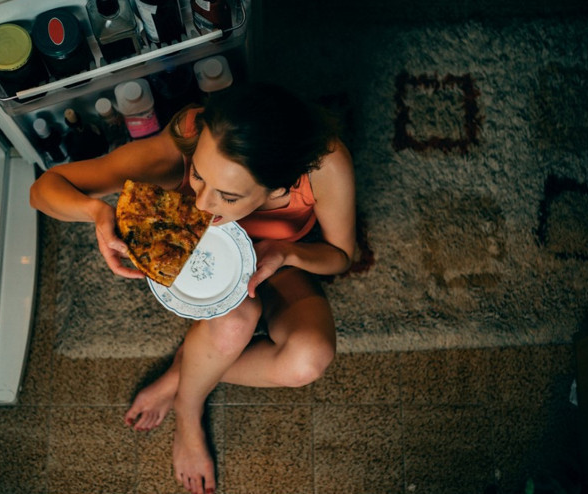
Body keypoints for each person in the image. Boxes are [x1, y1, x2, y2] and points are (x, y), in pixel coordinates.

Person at [29, 82, 356, 494]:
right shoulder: (188, 136)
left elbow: (341, 255)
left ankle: (188, 371)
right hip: (189, 260)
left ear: (279, 188)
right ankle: (189, 408)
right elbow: (43, 190)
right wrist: (96, 211)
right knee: (236, 321)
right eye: (199, 177)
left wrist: (288, 254)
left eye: (228, 195)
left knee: (308, 361)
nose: (203, 204)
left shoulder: (323, 164)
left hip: (277, 262)